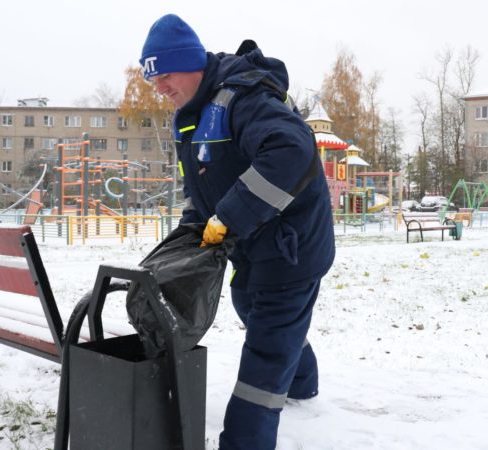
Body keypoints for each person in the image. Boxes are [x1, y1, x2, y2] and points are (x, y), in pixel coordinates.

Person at [140, 14, 336, 449]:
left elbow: (293, 150)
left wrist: (228, 217)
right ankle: (303, 382)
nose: (161, 88)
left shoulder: (242, 97)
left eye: (166, 75)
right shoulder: (189, 118)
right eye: (154, 81)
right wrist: (192, 233)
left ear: (191, 63)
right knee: (252, 308)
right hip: (251, 245)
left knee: (266, 353)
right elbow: (200, 188)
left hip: (292, 246)